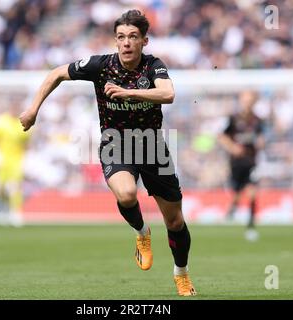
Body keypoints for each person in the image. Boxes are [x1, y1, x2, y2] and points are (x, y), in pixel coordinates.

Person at [19, 10, 197, 296]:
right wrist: (33, 109)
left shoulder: (153, 66)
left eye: (133, 37)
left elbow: (168, 94)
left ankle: (181, 274)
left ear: (144, 41)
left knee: (175, 221)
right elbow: (57, 73)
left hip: (152, 146)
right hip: (115, 143)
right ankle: (142, 233)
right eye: (121, 37)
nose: (126, 43)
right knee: (126, 195)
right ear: (115, 41)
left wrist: (129, 94)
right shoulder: (101, 66)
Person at [218, 90, 265, 241]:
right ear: (241, 100)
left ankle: (251, 227)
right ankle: (231, 212)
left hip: (251, 162)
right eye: (245, 99)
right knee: (237, 195)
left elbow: (261, 136)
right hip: (236, 163)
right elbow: (221, 136)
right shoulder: (233, 119)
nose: (248, 102)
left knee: (252, 193)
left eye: (250, 100)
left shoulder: (258, 120)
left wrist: (261, 142)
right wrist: (233, 147)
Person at [0, 104, 30, 227]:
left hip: (17, 160)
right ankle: (6, 206)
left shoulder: (22, 123)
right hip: (2, 160)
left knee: (15, 187)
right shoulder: (1, 122)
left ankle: (15, 213)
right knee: (0, 189)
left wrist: (27, 159)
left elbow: (26, 143)